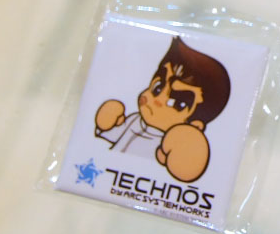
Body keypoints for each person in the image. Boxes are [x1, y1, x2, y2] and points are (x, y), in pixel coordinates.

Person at [95, 37, 231, 183]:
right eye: (158, 87)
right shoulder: (134, 119)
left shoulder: (170, 146)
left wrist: (186, 157)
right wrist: (108, 121)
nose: (158, 100)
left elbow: (184, 169)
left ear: (195, 126)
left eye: (178, 103)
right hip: (105, 177)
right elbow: (110, 134)